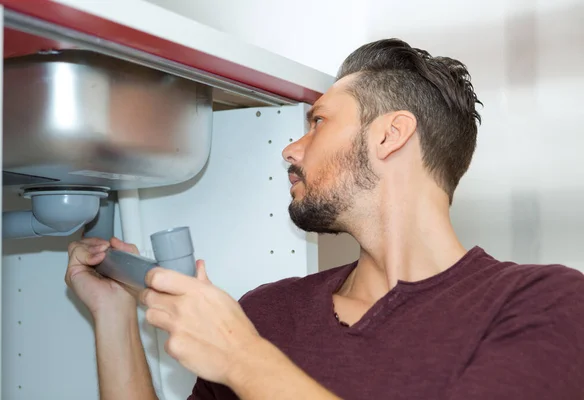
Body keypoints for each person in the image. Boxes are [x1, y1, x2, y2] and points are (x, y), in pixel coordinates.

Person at [65, 38, 584, 400]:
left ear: (389, 135)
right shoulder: (267, 314)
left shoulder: (543, 304)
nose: (291, 147)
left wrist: (241, 357)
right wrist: (113, 318)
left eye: (317, 122)